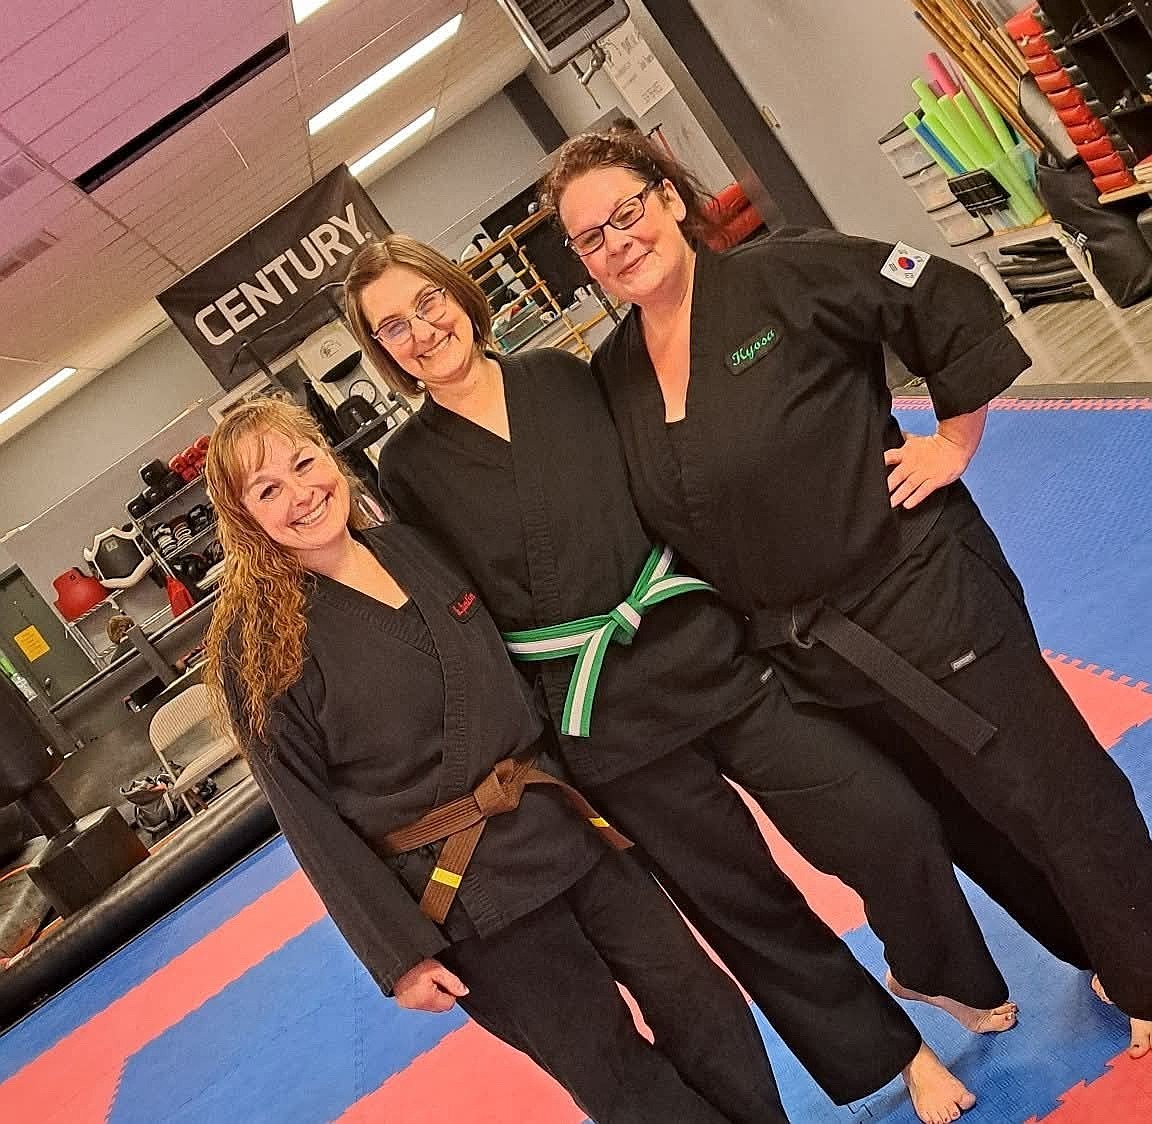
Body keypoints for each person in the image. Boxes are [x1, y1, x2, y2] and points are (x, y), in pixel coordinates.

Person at [343, 236, 1012, 1124]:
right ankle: (898, 1055)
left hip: (700, 648)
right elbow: (459, 616)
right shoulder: (409, 467)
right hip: (599, 715)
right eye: (393, 326)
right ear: (381, 352)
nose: (422, 332)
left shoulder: (562, 377)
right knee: (745, 903)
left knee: (888, 819)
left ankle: (931, 967)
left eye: (428, 304)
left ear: (461, 296)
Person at [540, 126, 1152, 1059]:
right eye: (591, 236)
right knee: (961, 816)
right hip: (808, 654)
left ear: (670, 197)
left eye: (627, 211)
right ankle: (1095, 948)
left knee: (1048, 783)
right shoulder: (616, 372)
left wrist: (952, 444)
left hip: (918, 588)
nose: (618, 240)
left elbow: (940, 296)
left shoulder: (786, 274)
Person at [201, 397, 788, 1124]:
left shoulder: (413, 548)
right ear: (243, 520)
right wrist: (399, 954)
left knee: (701, 998)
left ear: (331, 457)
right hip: (465, 889)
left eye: (303, 462)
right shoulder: (256, 652)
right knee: (605, 1064)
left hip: (561, 824)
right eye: (267, 490)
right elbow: (305, 816)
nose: (301, 494)